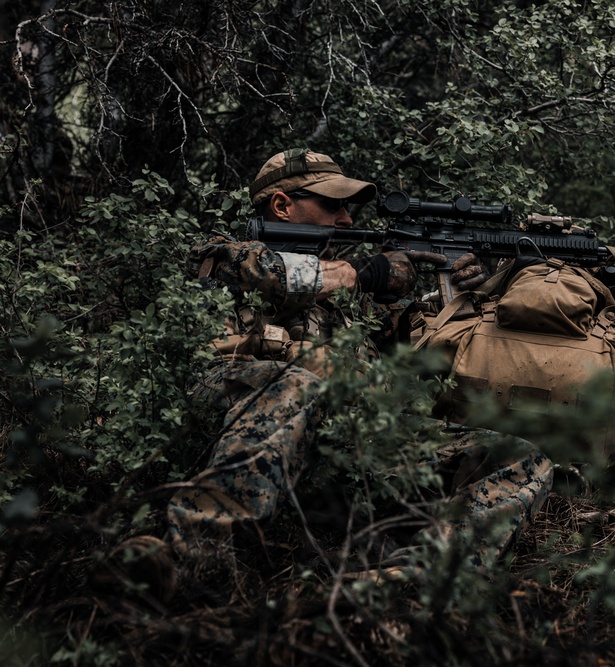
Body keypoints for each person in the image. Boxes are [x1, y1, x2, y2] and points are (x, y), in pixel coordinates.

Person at [99, 148, 553, 600]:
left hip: (347, 454)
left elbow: (431, 349)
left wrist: (472, 287)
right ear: (281, 205)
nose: (347, 220)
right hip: (246, 428)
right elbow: (276, 276)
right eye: (332, 205)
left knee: (518, 455)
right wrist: (364, 273)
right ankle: (194, 558)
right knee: (296, 382)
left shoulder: (354, 298)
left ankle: (420, 580)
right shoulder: (231, 257)